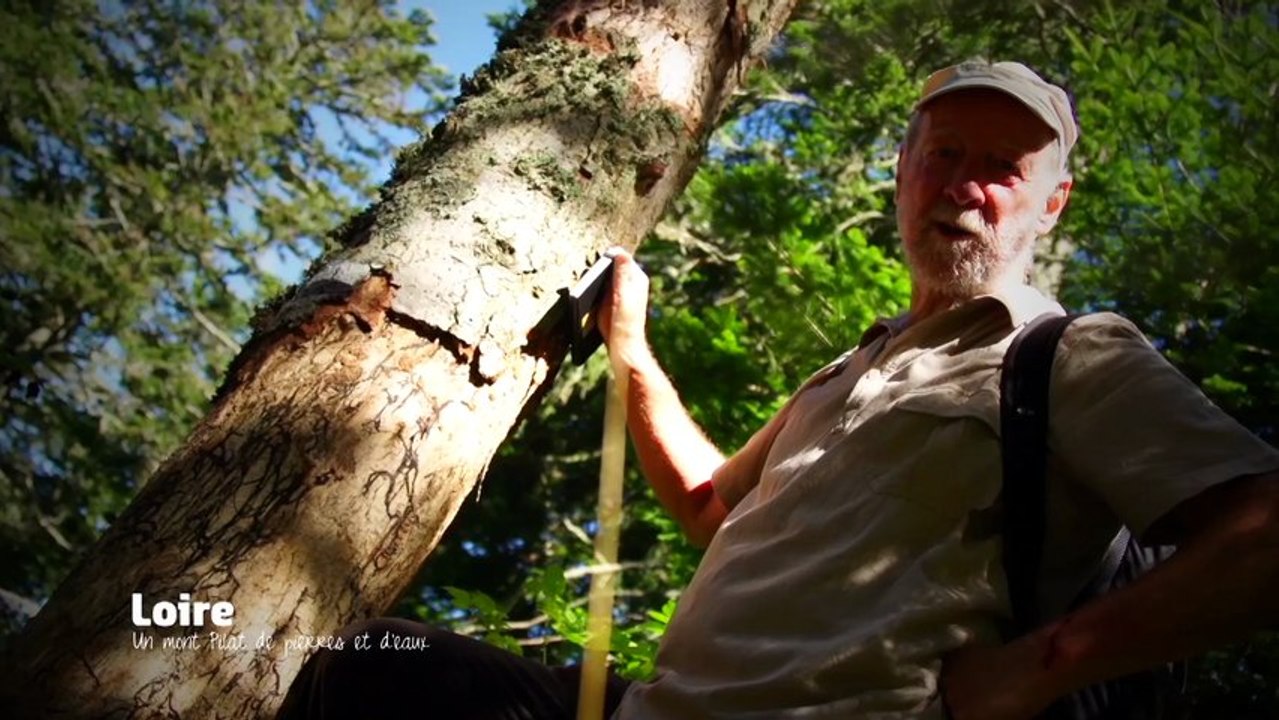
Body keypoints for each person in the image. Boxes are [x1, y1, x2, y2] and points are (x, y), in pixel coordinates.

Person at [279, 60, 1279, 720]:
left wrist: (1041, 665)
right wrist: (631, 351)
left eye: (1004, 168)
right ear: (904, 174)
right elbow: (710, 508)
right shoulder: (845, 372)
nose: (966, 185)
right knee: (368, 667)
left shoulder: (1069, 356)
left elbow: (1258, 530)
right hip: (644, 712)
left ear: (1050, 201)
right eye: (946, 156)